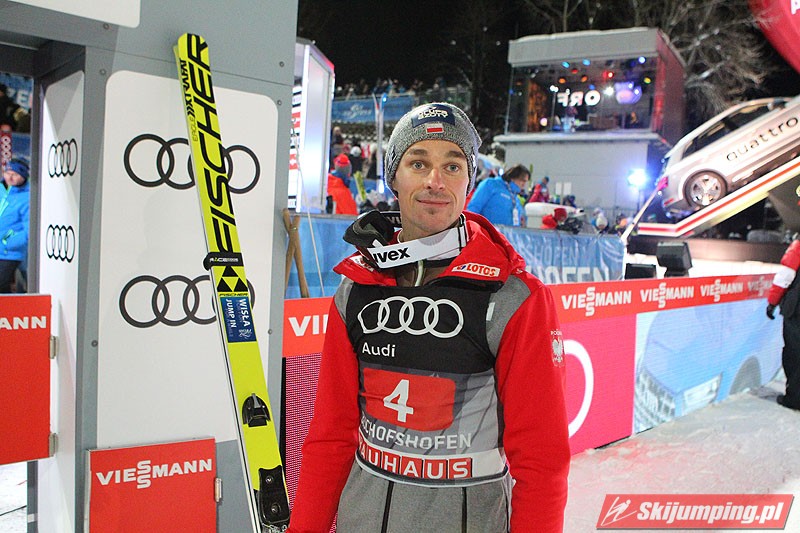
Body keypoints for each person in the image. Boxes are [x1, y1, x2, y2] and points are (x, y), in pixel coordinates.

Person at [288, 102, 570, 532]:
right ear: (394, 178)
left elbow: (542, 462)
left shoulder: (513, 297)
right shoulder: (356, 288)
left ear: (469, 182)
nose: (435, 181)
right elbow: (331, 436)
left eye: (452, 166)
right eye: (418, 163)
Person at [766, 235, 800, 411]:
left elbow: (784, 277)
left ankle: (795, 398)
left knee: (794, 353)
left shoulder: (798, 247)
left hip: (797, 310)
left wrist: (772, 302)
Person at [0, 158, 30, 293]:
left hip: (10, 253)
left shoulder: (27, 198)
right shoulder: (3, 191)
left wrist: (8, 242)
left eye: (15, 174)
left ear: (23, 176)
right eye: (7, 173)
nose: (10, 177)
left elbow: (29, 230)